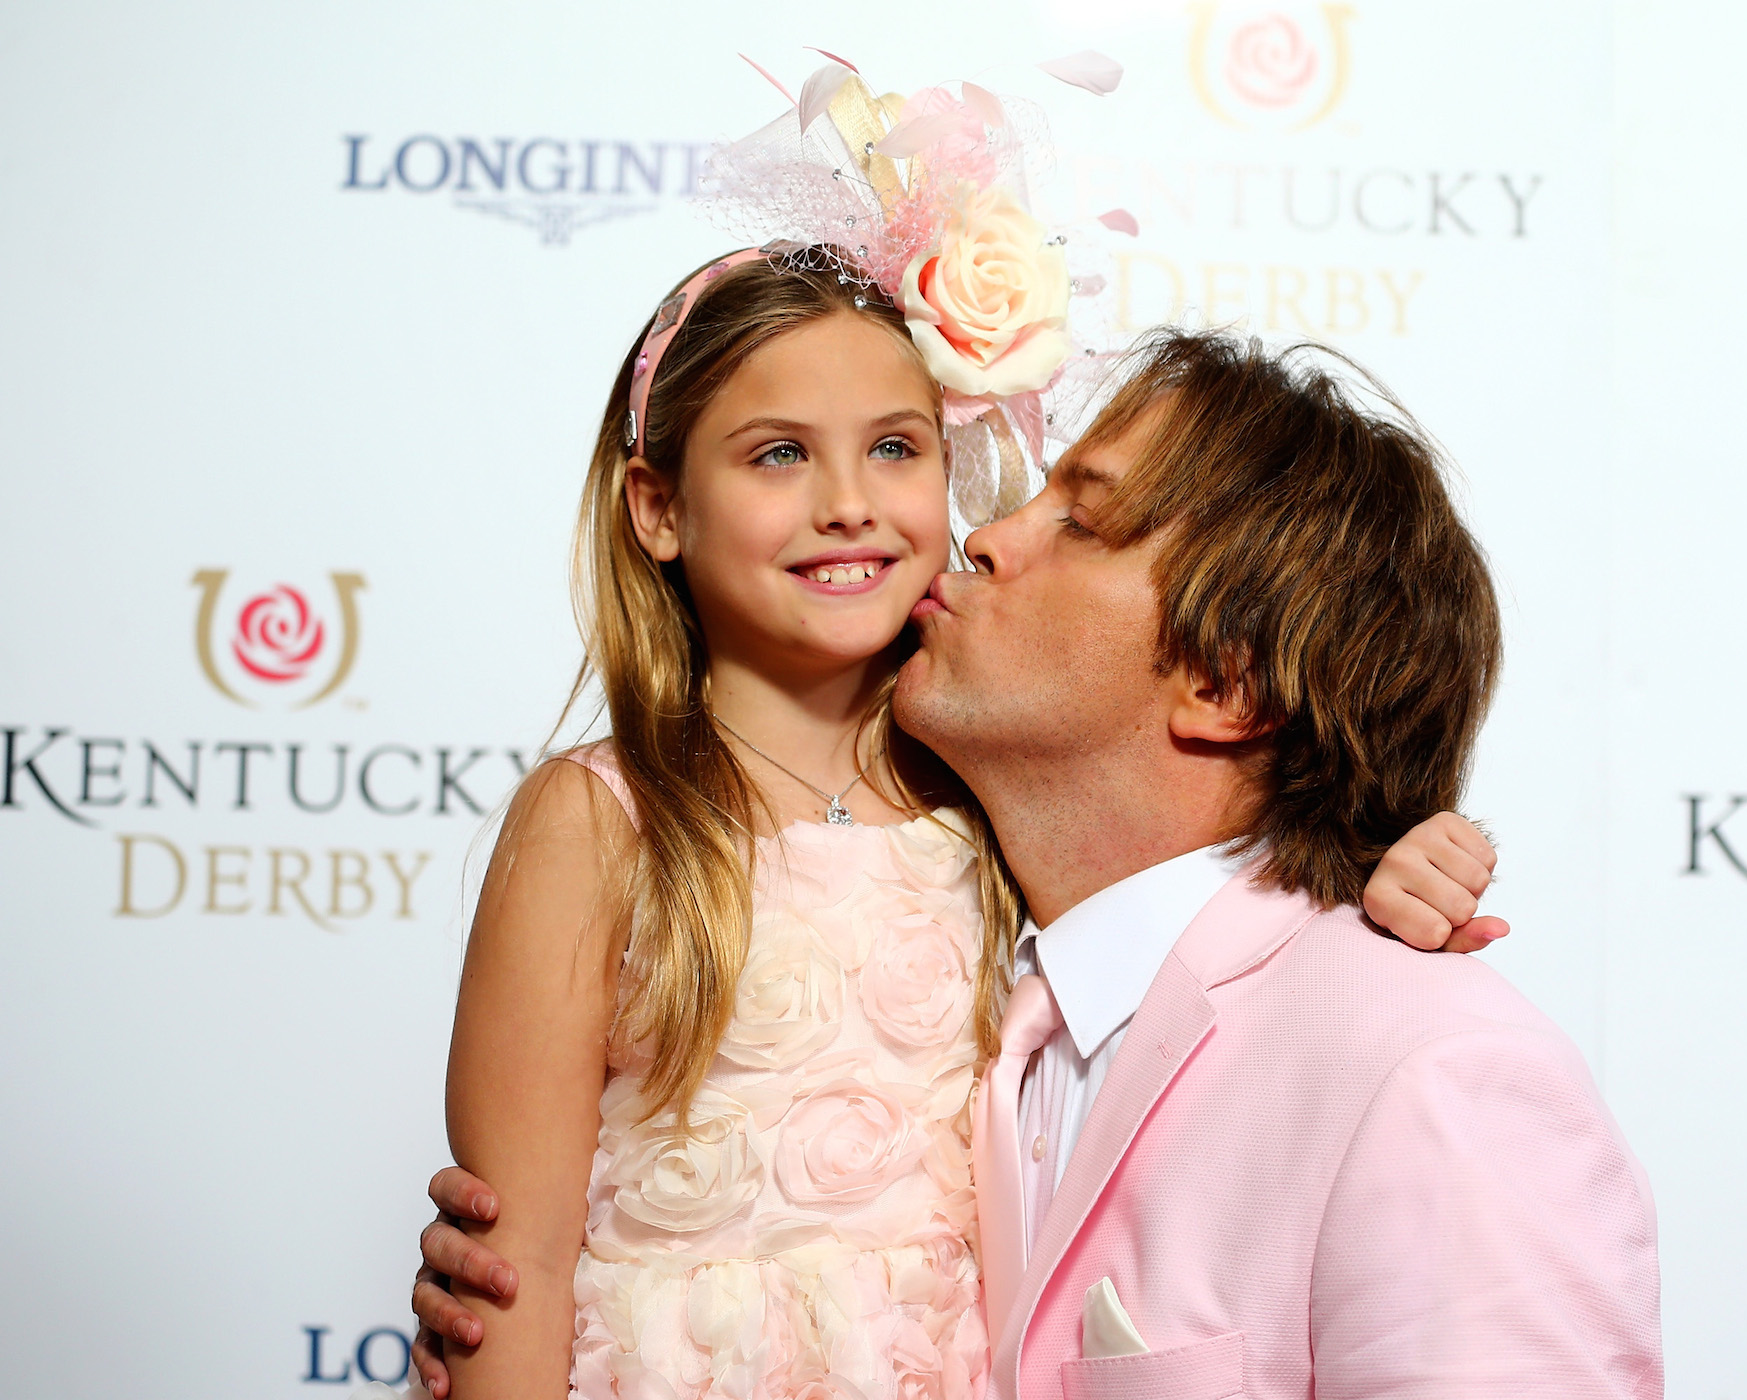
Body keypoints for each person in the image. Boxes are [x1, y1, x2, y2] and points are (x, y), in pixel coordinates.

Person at [404, 79, 1513, 1396]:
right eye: (776, 455)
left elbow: (1203, 907)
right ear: (656, 507)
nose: (846, 504)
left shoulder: (978, 802)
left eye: (895, 447)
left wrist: (1385, 861)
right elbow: (509, 1268)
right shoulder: (602, 821)